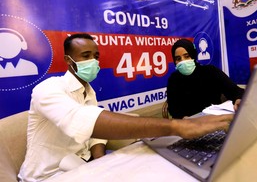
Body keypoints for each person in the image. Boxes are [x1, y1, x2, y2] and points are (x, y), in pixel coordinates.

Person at [18, 33, 234, 182]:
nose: (93, 62)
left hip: (82, 165)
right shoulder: (47, 89)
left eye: (96, 56)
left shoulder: (89, 92)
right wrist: (176, 126)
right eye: (85, 56)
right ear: (68, 60)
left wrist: (100, 160)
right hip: (49, 175)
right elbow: (81, 120)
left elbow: (95, 137)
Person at [167, 39, 244, 119]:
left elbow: (235, 90)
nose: (183, 61)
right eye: (178, 58)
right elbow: (173, 109)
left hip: (214, 121)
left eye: (187, 56)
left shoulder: (211, 72)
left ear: (193, 55)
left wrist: (238, 99)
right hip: (189, 126)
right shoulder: (173, 79)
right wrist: (183, 119)